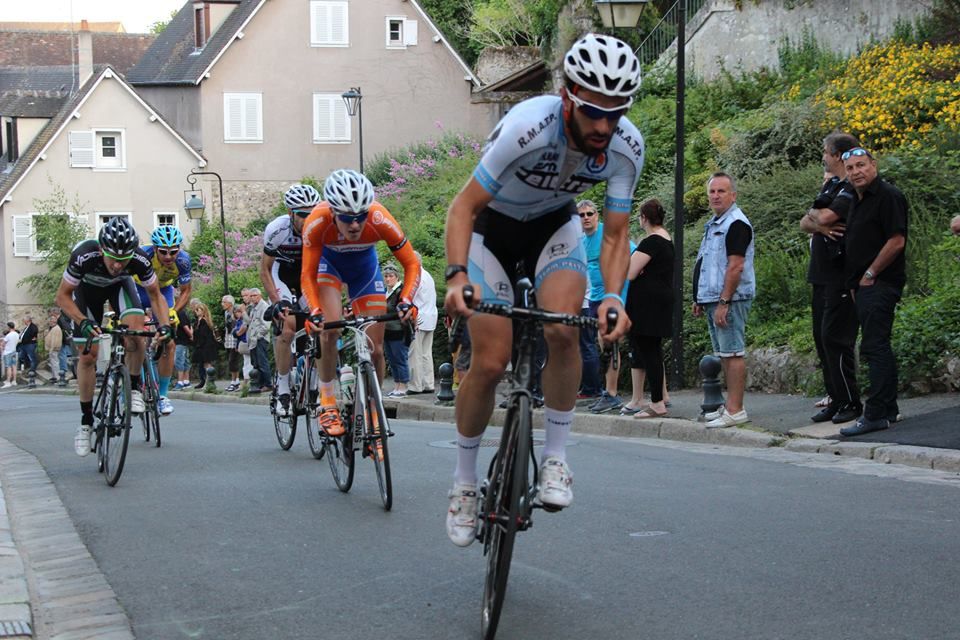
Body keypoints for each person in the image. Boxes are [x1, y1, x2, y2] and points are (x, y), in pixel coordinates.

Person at [443, 33, 641, 546]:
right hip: (492, 229)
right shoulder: (527, 126)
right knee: (489, 361)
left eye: (615, 112)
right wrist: (458, 275)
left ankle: (556, 456)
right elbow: (462, 208)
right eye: (594, 110)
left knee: (563, 331)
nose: (603, 125)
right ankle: (464, 484)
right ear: (568, 95)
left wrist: (614, 297)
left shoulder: (626, 147)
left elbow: (616, 235)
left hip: (554, 227)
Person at [300, 169, 420, 436]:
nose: (355, 225)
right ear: (333, 213)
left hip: (365, 270)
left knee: (376, 348)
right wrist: (315, 311)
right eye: (346, 218)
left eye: (360, 217)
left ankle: (373, 408)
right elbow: (307, 274)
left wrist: (407, 300)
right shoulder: (317, 221)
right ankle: (328, 402)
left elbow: (411, 263)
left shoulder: (379, 217)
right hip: (328, 267)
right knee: (330, 331)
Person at [53, 216, 172, 457]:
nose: (118, 265)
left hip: (119, 287)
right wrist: (82, 321)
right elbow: (62, 297)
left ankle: (135, 388)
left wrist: (165, 325)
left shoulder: (138, 259)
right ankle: (86, 423)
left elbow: (156, 295)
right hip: (86, 292)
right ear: (101, 249)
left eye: (123, 260)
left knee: (136, 332)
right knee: (88, 356)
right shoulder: (84, 256)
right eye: (114, 259)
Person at [839, 147, 908, 437]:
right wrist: (856, 283)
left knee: (874, 346)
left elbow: (896, 241)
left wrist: (870, 274)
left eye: (861, 165)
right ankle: (888, 409)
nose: (856, 172)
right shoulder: (857, 199)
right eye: (851, 168)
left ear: (874, 165)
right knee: (876, 345)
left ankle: (876, 413)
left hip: (880, 283)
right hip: (863, 286)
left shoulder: (888, 196)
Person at [799, 132, 863, 425]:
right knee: (821, 338)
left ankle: (850, 399)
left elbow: (821, 218)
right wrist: (819, 226)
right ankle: (835, 398)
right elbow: (806, 222)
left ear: (837, 155)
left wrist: (819, 223)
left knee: (835, 338)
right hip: (821, 275)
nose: (823, 156)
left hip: (840, 274)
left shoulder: (849, 187)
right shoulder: (833, 184)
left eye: (825, 152)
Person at [692, 172, 755, 428]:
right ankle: (730, 408)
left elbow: (735, 266)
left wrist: (724, 301)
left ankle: (736, 409)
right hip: (713, 298)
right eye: (712, 192)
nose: (716, 196)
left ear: (733, 195)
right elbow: (706, 263)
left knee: (733, 353)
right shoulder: (715, 223)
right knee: (724, 354)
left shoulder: (736, 223)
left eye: (721, 191)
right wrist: (699, 297)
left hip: (731, 298)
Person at [259, 184, 321, 415]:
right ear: (290, 213)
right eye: (303, 214)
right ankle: (283, 389)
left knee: (319, 326)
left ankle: (313, 383)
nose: (308, 219)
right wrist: (277, 301)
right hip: (282, 275)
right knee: (287, 328)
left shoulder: (321, 227)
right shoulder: (277, 230)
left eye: (313, 213)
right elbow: (265, 269)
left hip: (308, 276)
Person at [624, 199, 674, 419]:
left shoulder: (651, 242)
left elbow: (629, 272)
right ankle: (659, 398)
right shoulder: (667, 239)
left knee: (648, 351)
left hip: (647, 303)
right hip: (660, 299)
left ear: (644, 218)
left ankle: (656, 403)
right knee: (653, 350)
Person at [134, 225, 192, 415]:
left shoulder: (183, 261)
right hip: (137, 288)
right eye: (164, 252)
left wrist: (174, 311)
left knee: (170, 342)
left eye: (173, 252)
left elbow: (186, 291)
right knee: (134, 336)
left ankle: (163, 396)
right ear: (156, 248)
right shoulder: (143, 255)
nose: (169, 257)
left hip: (163, 291)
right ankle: (134, 386)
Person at [576, 199, 603, 402]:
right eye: (582, 215)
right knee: (587, 344)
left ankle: (594, 389)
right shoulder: (580, 240)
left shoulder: (606, 234)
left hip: (601, 298)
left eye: (589, 213)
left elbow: (630, 252)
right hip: (584, 300)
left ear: (597, 215)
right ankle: (592, 387)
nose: (586, 217)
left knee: (590, 344)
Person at [408, 252, 438, 394]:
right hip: (431, 316)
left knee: (415, 354)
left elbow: (410, 297)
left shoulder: (416, 276)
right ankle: (429, 383)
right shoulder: (428, 276)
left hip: (419, 318)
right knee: (426, 353)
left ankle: (415, 386)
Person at [382, 264, 412, 397]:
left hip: (399, 330)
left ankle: (404, 386)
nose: (388, 279)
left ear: (396, 276)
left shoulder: (401, 291)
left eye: (390, 276)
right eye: (386, 276)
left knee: (400, 358)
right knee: (392, 359)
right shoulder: (385, 291)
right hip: (386, 331)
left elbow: (404, 309)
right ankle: (396, 385)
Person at [244, 288, 272, 393]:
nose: (251, 298)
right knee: (255, 363)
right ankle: (259, 383)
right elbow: (250, 323)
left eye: (254, 295)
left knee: (262, 362)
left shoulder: (264, 307)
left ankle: (267, 384)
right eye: (250, 296)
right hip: (253, 340)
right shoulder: (253, 307)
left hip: (260, 339)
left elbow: (265, 326)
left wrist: (257, 336)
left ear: (259, 296)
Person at [190, 300, 219, 389]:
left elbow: (204, 335)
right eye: (196, 310)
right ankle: (203, 380)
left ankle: (209, 381)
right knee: (202, 364)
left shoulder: (204, 322)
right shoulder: (197, 322)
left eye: (198, 310)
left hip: (206, 346)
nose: (196, 312)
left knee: (207, 364)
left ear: (203, 311)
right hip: (201, 346)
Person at [173, 306, 193, 390]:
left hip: (180, 341)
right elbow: (189, 325)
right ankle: (186, 381)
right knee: (185, 360)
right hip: (183, 341)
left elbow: (185, 326)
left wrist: (190, 335)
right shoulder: (184, 313)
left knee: (179, 360)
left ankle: (180, 381)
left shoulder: (179, 313)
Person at [18, 314, 38, 386]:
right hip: (24, 345)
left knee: (32, 358)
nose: (23, 321)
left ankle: (32, 371)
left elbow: (33, 335)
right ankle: (27, 370)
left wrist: (26, 340)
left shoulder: (33, 327)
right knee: (21, 357)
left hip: (30, 345)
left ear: (27, 320)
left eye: (24, 320)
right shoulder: (26, 327)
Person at [44, 313, 64, 384]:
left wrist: (51, 349)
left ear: (54, 322)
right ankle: (54, 376)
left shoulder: (56, 329)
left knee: (55, 363)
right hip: (53, 348)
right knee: (53, 363)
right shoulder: (53, 328)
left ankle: (57, 377)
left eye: (51, 321)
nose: (50, 322)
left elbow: (54, 340)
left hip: (54, 348)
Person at [2, 322, 19, 388]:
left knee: (8, 367)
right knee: (14, 366)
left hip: (8, 352)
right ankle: (14, 381)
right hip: (13, 351)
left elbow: (3, 343)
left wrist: (3, 347)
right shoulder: (17, 334)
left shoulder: (8, 335)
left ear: (9, 327)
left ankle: (8, 381)